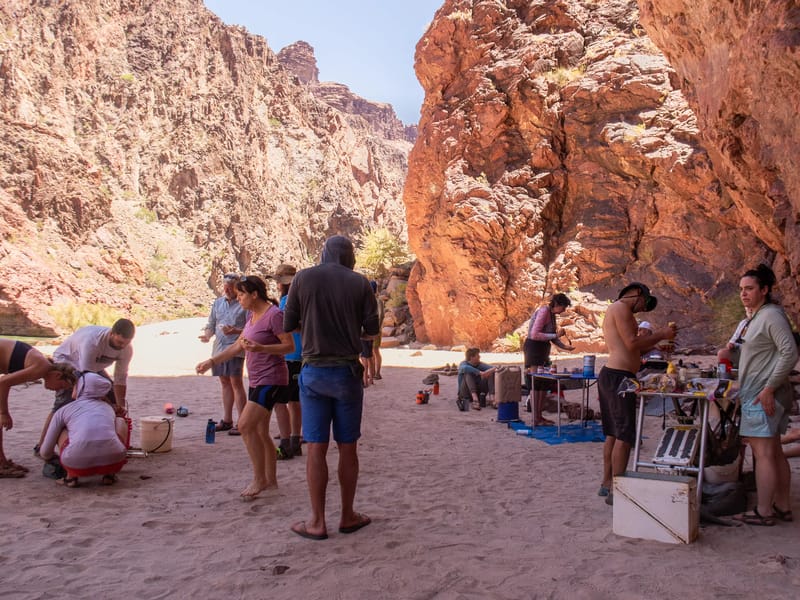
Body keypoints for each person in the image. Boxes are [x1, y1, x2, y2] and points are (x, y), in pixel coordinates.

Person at [283, 235, 379, 540]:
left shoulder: (303, 278)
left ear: (324, 254)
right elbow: (372, 331)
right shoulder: (360, 283)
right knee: (348, 446)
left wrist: (312, 328)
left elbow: (288, 325)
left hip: (313, 372)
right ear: (349, 256)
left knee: (316, 447)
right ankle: (347, 515)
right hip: (347, 373)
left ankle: (317, 521)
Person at [196, 275, 294, 500]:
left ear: (254, 294)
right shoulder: (251, 315)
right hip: (257, 379)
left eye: (241, 294)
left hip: (272, 379)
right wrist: (211, 361)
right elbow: (237, 346)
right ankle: (270, 480)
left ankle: (259, 479)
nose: (238, 298)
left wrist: (262, 348)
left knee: (245, 425)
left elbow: (289, 346)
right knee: (260, 431)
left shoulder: (274, 315)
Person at [598, 282, 675, 503]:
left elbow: (629, 347)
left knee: (613, 433)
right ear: (638, 294)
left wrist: (655, 346)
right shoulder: (622, 308)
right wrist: (661, 334)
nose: (642, 309)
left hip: (613, 375)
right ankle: (617, 490)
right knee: (624, 435)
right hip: (620, 378)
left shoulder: (616, 309)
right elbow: (632, 343)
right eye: (643, 304)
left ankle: (607, 483)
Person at [732, 264, 797, 526]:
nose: (743, 294)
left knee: (764, 454)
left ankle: (764, 511)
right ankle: (782, 506)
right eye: (741, 289)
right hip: (763, 392)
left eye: (749, 289)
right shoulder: (759, 316)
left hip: (764, 395)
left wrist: (769, 388)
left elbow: (790, 352)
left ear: (765, 290)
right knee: (775, 452)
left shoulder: (770, 315)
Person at [36, 318, 135, 453]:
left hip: (92, 367)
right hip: (68, 360)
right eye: (119, 342)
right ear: (112, 333)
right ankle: (41, 446)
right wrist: (107, 403)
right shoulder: (92, 342)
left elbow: (120, 378)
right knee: (64, 403)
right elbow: (88, 383)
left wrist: (120, 405)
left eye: (126, 343)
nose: (122, 346)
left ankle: (109, 442)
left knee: (111, 396)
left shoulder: (126, 349)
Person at [0, 339, 77, 477]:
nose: (57, 391)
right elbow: (3, 383)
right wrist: (4, 413)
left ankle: (2, 462)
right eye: (61, 386)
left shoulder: (42, 366)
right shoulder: (41, 368)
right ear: (58, 375)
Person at [39, 372, 130, 487]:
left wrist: (50, 457)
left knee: (62, 428)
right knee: (120, 421)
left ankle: (70, 477)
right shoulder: (108, 408)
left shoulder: (64, 410)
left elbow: (45, 452)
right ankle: (109, 475)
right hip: (114, 461)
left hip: (74, 463)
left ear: (81, 387)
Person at [199, 272, 247, 435]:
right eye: (225, 287)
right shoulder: (218, 303)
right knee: (224, 382)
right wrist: (207, 335)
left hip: (235, 348)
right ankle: (227, 420)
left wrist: (235, 331)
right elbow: (211, 323)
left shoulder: (243, 304)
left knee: (236, 383)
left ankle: (242, 422)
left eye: (230, 287)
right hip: (219, 348)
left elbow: (250, 328)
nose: (227, 290)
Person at [524, 293, 575, 425]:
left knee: (542, 384)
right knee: (536, 384)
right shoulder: (544, 311)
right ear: (557, 304)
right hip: (534, 348)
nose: (563, 310)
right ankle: (535, 418)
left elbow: (552, 336)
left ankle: (539, 416)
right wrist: (556, 335)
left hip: (542, 349)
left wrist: (565, 347)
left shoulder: (552, 315)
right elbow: (534, 334)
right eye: (563, 307)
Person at [271, 264, 303, 460]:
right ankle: (294, 437)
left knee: (289, 400)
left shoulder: (287, 300)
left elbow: (284, 326)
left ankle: (292, 439)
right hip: (298, 353)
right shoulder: (301, 297)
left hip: (291, 355)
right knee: (294, 399)